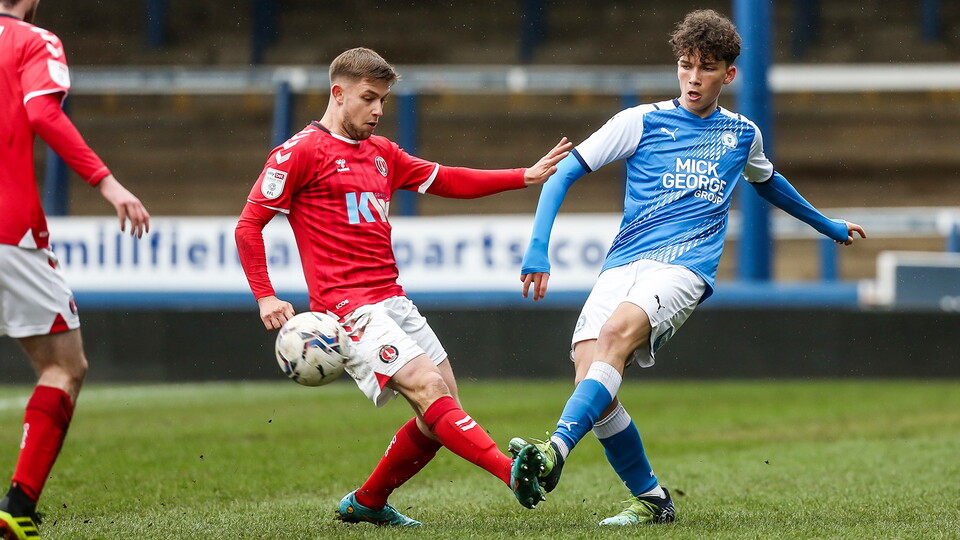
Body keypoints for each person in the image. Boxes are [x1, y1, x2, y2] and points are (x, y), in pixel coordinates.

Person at [510, 9, 866, 527]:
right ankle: (653, 499)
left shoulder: (741, 134)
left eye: (707, 67)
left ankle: (554, 452)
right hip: (623, 263)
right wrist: (538, 246)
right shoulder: (640, 120)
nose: (694, 78)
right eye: (686, 65)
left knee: (613, 337)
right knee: (593, 378)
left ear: (729, 75)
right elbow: (564, 173)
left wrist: (826, 224)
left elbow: (767, 181)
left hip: (685, 268)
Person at [235, 47, 570, 527]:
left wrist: (524, 176)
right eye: (369, 98)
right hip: (347, 308)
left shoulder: (382, 154)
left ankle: (368, 502)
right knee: (429, 389)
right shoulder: (299, 153)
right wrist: (265, 294)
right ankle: (509, 472)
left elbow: (449, 180)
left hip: (393, 299)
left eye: (383, 101)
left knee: (440, 413)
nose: (377, 110)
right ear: (338, 93)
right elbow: (248, 226)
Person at [0, 1, 151, 538]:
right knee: (64, 364)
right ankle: (17, 505)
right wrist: (107, 183)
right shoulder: (32, 41)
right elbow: (42, 113)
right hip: (8, 228)